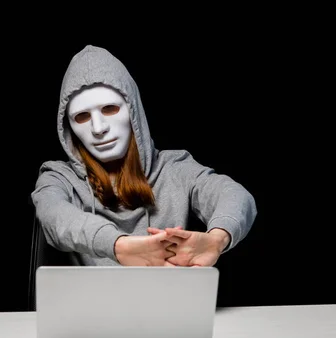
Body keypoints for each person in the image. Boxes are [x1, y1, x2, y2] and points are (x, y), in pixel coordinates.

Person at [31, 45, 257, 267]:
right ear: (69, 127)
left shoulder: (175, 168)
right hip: (91, 304)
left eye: (109, 108)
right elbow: (54, 216)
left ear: (133, 110)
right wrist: (119, 246)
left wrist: (217, 239)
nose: (98, 128)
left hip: (168, 303)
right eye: (82, 116)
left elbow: (234, 195)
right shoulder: (58, 177)